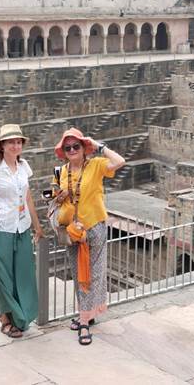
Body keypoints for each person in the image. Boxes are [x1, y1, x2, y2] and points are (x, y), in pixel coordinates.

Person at [53, 127, 125, 345]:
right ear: (63, 151)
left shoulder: (95, 165)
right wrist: (59, 197)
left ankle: (84, 322)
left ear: (84, 148)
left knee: (93, 274)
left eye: (76, 146)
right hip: (72, 230)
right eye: (68, 148)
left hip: (93, 228)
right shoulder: (61, 171)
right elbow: (55, 199)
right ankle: (88, 314)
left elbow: (120, 161)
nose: (72, 150)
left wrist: (99, 145)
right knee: (78, 274)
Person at [0, 124, 44, 338]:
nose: (15, 145)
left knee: (24, 274)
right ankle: (6, 318)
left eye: (18, 142)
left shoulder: (24, 166)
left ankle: (21, 316)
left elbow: (27, 196)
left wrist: (37, 225)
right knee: (3, 276)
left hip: (21, 226)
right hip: (0, 227)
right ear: (2, 145)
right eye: (11, 142)